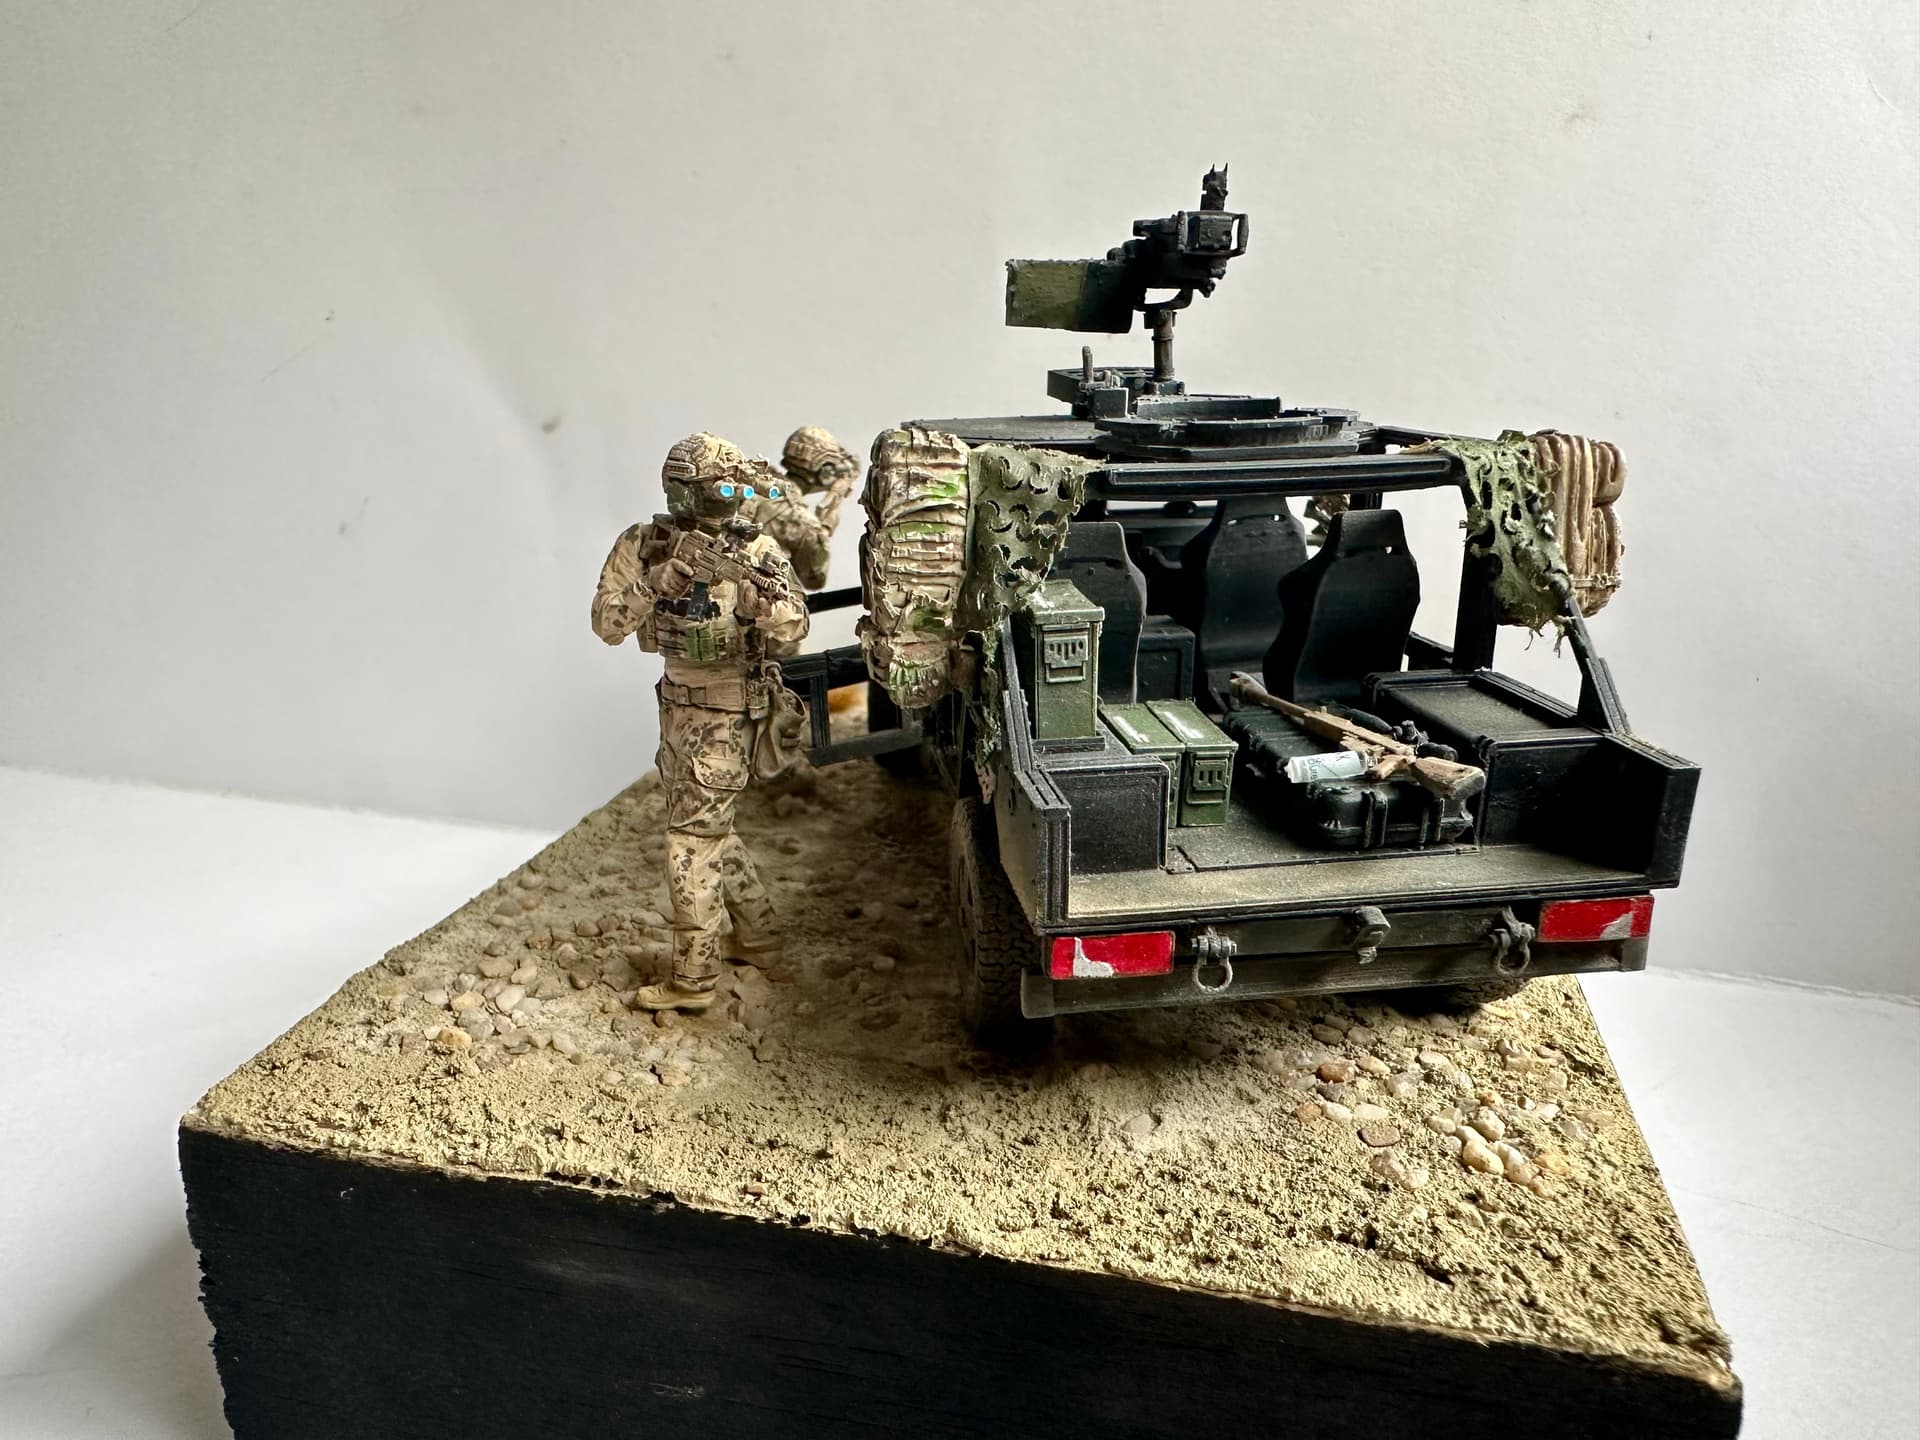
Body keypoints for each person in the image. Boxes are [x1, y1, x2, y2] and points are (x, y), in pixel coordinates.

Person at [591, 433, 809, 1012]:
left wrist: (762, 608)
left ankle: (693, 979)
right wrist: (653, 584)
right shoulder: (644, 543)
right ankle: (760, 938)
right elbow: (607, 625)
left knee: (690, 843)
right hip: (675, 707)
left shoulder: (755, 548)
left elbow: (795, 627)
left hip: (725, 712)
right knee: (711, 830)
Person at [737, 426, 861, 591]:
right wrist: (828, 520)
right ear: (825, 472)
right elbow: (814, 579)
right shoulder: (802, 521)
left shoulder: (751, 480)